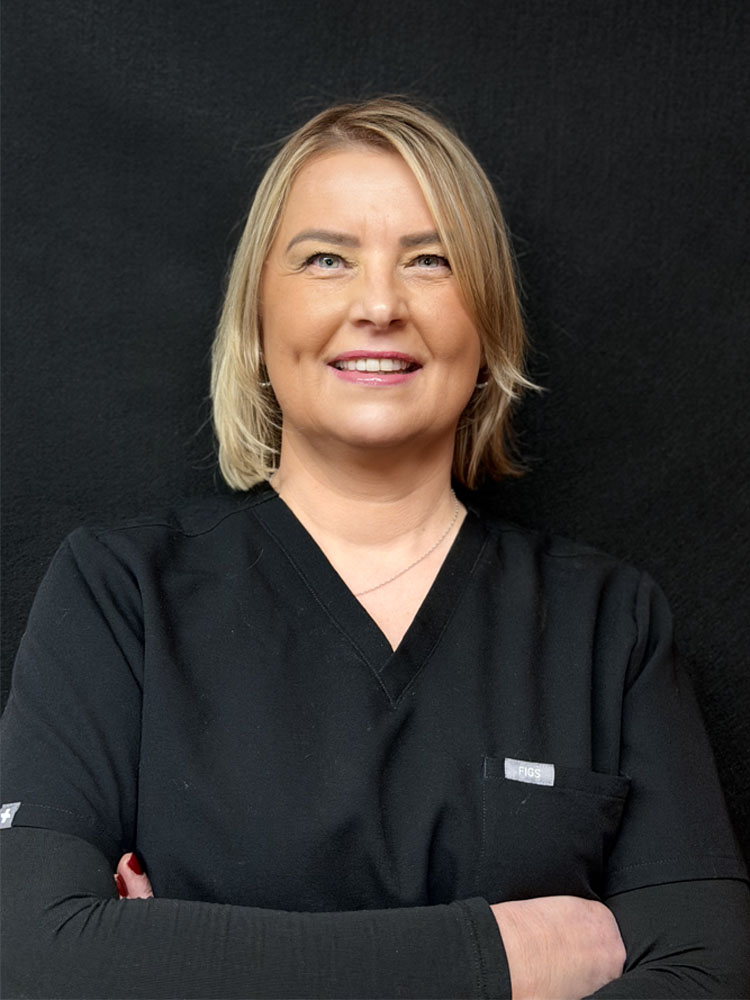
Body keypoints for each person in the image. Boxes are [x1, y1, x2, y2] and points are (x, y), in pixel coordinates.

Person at [1, 97, 748, 1000]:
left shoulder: (607, 623)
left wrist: (179, 961)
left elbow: (708, 976)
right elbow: (32, 956)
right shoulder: (120, 594)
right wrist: (505, 956)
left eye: (431, 261)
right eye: (327, 259)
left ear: (488, 322)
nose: (381, 305)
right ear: (257, 318)